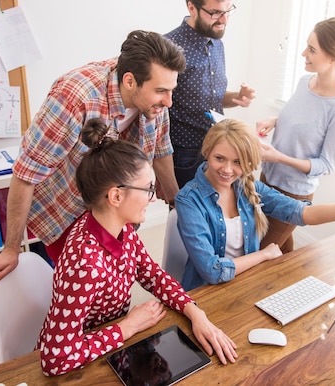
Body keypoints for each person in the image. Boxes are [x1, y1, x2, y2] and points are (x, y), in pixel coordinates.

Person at [37, 118, 237, 377]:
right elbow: (54, 359)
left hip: (110, 348)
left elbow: (153, 276)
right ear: (116, 196)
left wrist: (196, 314)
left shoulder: (121, 229)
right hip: (82, 363)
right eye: (147, 189)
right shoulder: (85, 262)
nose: (153, 197)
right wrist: (127, 328)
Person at [0, 30, 186, 284]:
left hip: (114, 209)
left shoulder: (155, 99)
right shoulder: (74, 97)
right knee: (79, 287)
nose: (169, 101)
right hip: (65, 210)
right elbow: (26, 174)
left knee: (113, 280)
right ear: (130, 81)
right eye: (161, 91)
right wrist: (11, 248)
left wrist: (178, 202)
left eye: (172, 90)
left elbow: (161, 148)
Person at [174, 119, 335, 291]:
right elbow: (212, 271)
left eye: (238, 162)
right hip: (204, 294)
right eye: (219, 158)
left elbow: (304, 213)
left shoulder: (247, 186)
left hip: (244, 285)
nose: (227, 169)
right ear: (207, 152)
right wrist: (264, 255)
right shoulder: (189, 200)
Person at [256, 17, 335, 254]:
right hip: (267, 180)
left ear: (333, 57)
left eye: (312, 50)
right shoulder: (304, 82)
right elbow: (302, 122)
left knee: (259, 253)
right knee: (281, 250)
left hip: (294, 193)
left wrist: (280, 158)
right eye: (307, 45)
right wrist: (274, 121)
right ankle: (291, 287)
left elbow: (326, 164)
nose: (304, 53)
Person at [165, 0, 256, 189]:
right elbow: (155, 113)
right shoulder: (168, 48)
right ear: (192, 7)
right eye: (215, 12)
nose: (224, 20)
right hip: (186, 153)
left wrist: (236, 97)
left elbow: (207, 97)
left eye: (228, 11)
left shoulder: (217, 43)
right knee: (186, 215)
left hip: (219, 147)